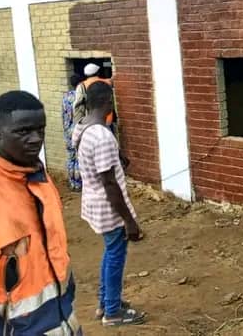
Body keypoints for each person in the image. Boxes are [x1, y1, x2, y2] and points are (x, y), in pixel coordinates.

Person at [0, 90, 81, 333]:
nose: (36, 139)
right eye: (23, 132)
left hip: (62, 322)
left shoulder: (39, 179)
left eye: (40, 130)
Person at [73, 81, 145, 326]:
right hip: (108, 206)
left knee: (110, 252)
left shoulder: (83, 127)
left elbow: (103, 168)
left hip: (94, 202)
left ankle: (106, 303)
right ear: (107, 102)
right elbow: (109, 183)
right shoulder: (102, 136)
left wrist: (118, 158)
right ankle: (112, 312)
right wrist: (129, 220)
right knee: (115, 256)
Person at [63, 73, 83, 191]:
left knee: (71, 157)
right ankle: (80, 184)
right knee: (80, 157)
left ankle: (73, 183)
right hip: (78, 129)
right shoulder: (81, 96)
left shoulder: (66, 96)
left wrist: (66, 129)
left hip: (68, 130)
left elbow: (64, 114)